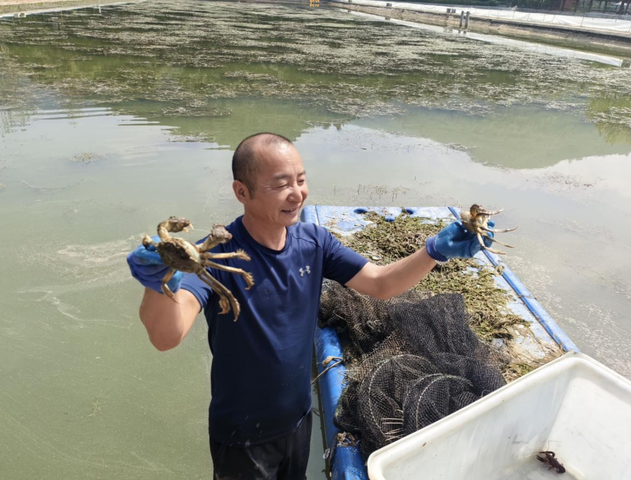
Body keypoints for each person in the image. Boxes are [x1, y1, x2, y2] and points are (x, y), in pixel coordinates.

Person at [127, 132, 491, 480]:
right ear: (242, 192)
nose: (297, 193)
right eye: (281, 184)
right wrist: (159, 282)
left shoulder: (313, 241)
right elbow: (166, 336)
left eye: (301, 180)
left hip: (298, 420)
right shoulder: (215, 257)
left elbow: (381, 284)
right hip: (241, 436)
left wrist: (434, 251)